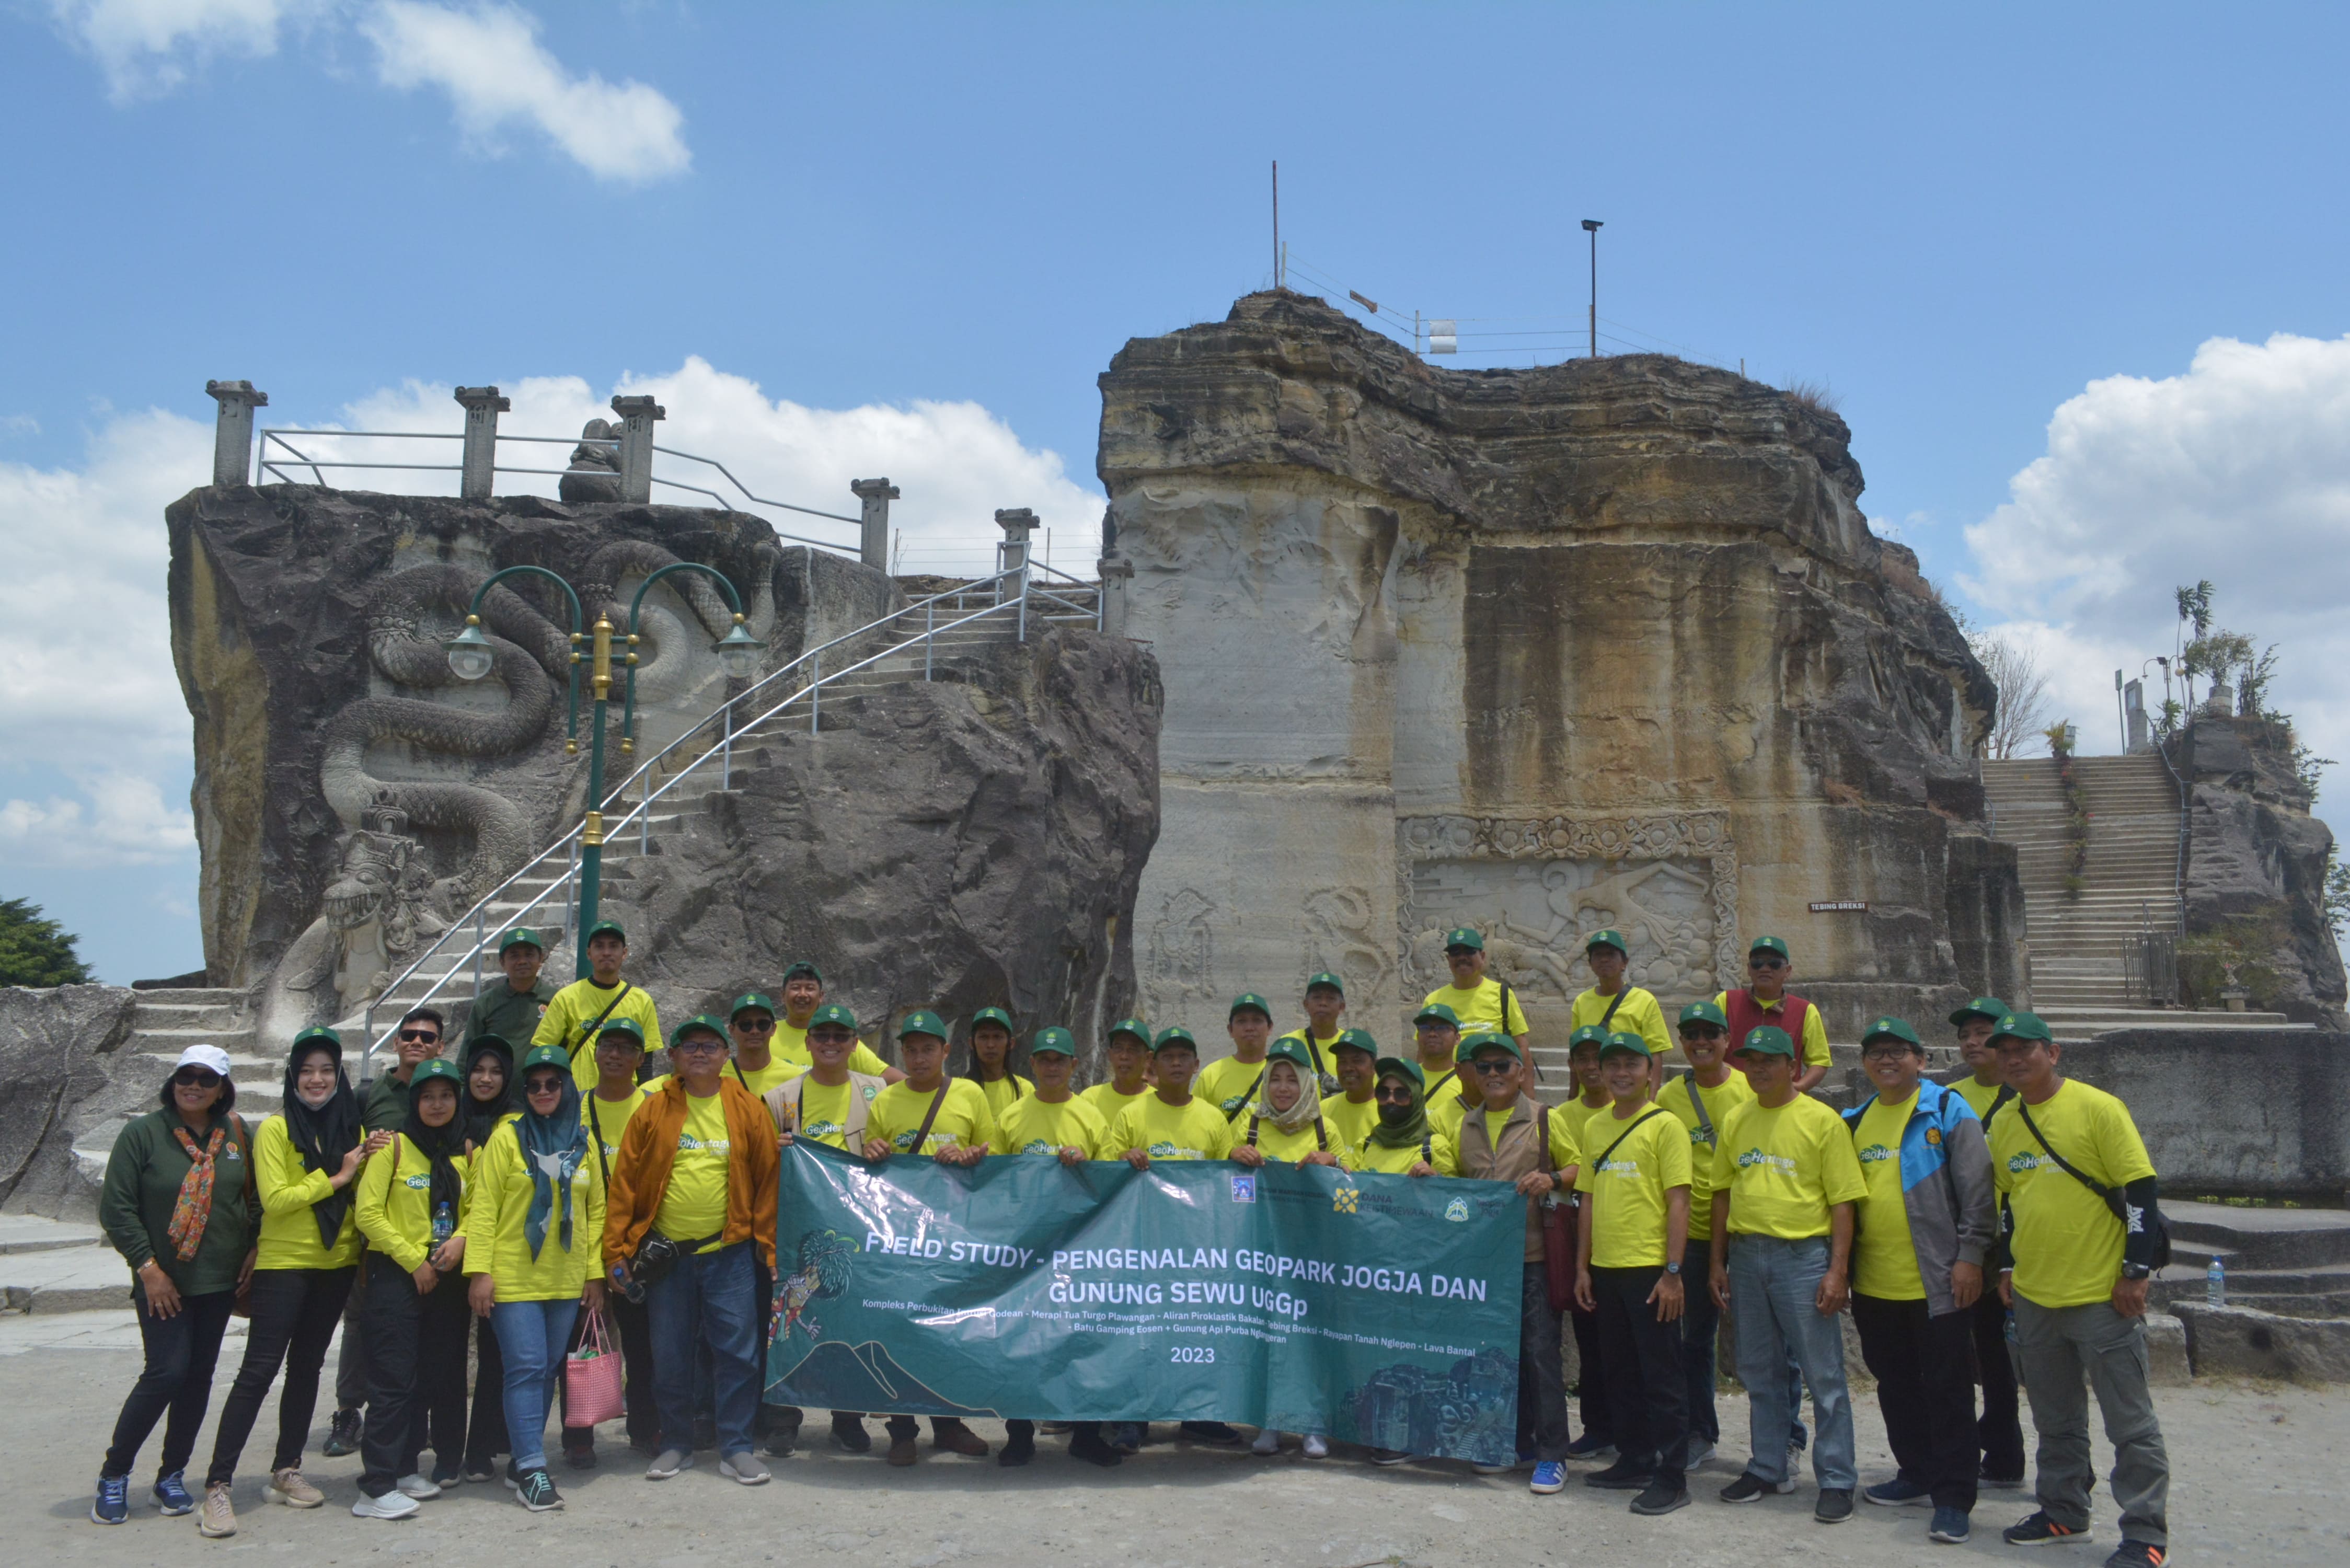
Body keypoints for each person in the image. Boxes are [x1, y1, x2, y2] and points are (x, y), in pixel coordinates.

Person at [1985, 1012, 2170, 1568]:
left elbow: (2139, 1193)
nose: (2015, 1060)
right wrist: (2007, 1266)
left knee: (2129, 1423)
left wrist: (2134, 1272)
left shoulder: (2097, 1108)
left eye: (2026, 1050)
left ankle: (2143, 1534)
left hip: (2100, 1294)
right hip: (2037, 1296)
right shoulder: (2004, 1122)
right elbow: (2008, 1203)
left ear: (2053, 1053)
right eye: (2006, 1052)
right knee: (2054, 1419)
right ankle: (2062, 1510)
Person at [202, 1028, 388, 1537]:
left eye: (326, 1070)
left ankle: (287, 1470)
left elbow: (362, 1199)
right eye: (307, 1070)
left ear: (339, 1076)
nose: (317, 1079)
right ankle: (218, 1485)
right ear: (293, 1076)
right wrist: (336, 1177)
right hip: (284, 1265)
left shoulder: (351, 1129)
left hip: (336, 1265)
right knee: (259, 1369)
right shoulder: (277, 1130)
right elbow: (277, 1199)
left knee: (307, 1367)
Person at [599, 1017, 779, 1488]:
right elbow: (625, 1187)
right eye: (690, 1046)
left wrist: (769, 1246)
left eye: (711, 1046)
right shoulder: (652, 1110)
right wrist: (614, 1251)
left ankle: (736, 1446)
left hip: (731, 1254)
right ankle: (675, 1442)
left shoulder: (748, 1108)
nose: (700, 1053)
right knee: (670, 1354)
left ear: (726, 1056)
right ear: (674, 1057)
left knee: (738, 1353)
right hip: (667, 1257)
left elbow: (768, 1182)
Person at [1842, 1016, 1998, 1546]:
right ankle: (1915, 1471)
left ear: (1920, 1059)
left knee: (1948, 1389)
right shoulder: (1855, 1119)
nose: (1886, 1061)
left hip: (1938, 1281)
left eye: (1897, 1052)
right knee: (1894, 1384)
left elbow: (1978, 1192)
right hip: (1875, 1283)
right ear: (1864, 1064)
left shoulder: (1948, 1110)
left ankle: (1954, 1495)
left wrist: (1970, 1257)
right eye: (1876, 1054)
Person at [90, 1045, 259, 1528]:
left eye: (207, 1079)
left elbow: (252, 1201)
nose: (195, 1086)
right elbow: (117, 1209)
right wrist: (148, 1269)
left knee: (199, 1377)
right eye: (187, 1076)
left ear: (222, 1088)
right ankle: (114, 1473)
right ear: (173, 1081)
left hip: (219, 1281)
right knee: (166, 1372)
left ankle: (172, 1474)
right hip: (163, 1280)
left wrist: (253, 1248)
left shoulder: (236, 1134)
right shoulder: (143, 1134)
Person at [1707, 1024, 1864, 1522]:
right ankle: (1768, 1465)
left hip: (1804, 1258)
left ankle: (1837, 1478)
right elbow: (1722, 1193)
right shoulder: (1736, 1119)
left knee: (1824, 1374)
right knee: (1759, 1370)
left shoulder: (1821, 1121)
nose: (1758, 1068)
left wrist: (1838, 1271)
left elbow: (1843, 1203)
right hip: (1749, 1256)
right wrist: (1717, 1260)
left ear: (1792, 1068)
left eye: (1769, 1060)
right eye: (1751, 1060)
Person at [1420, 1032, 1579, 1495]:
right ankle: (1512, 1442)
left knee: (1540, 1355)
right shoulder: (1465, 1126)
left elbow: (1579, 1170)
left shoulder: (1545, 1119)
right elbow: (1458, 1187)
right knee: (1492, 1358)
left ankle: (1553, 1454)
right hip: (1485, 1265)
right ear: (1471, 1073)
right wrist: (1431, 1178)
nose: (1493, 1074)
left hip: (1532, 1257)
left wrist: (1550, 1177)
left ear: (1521, 1071)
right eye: (1484, 1067)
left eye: (1502, 1066)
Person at [463, 1044, 607, 1512]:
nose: (543, 1092)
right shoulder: (508, 1139)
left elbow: (595, 1210)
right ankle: (531, 1467)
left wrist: (594, 1275)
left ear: (567, 1087)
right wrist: (481, 1272)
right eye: (534, 1085)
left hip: (565, 1278)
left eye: (553, 1083)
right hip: (513, 1276)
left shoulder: (582, 1141)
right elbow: (484, 1209)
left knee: (547, 1369)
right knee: (525, 1367)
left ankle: (524, 1458)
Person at [858, 1011, 995, 1464]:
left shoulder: (970, 1094)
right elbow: (870, 1170)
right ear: (902, 1054)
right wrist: (871, 1150)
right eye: (911, 1050)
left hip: (955, 1235)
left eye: (928, 1049)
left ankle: (949, 1426)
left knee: (949, 1331)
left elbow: (992, 1155)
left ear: (946, 1052)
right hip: (901, 1239)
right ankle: (902, 1431)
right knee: (898, 1330)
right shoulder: (884, 1101)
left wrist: (974, 1154)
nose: (919, 1058)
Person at [1573, 1031, 1693, 1515]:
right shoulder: (1596, 1126)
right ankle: (1636, 1457)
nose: (1622, 1073)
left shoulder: (1666, 1125)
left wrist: (1673, 1272)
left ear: (1650, 1070)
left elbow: (1679, 1201)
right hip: (1606, 1268)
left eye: (1632, 1064)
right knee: (1619, 1372)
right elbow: (1588, 1199)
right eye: (1612, 1065)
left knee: (1661, 1377)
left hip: (1650, 1271)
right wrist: (1582, 1266)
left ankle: (1672, 1475)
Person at [987, 1026, 1118, 1468]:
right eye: (1043, 1059)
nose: (1051, 1067)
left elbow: (1113, 1185)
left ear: (1074, 1066)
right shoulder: (1011, 1117)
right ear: (1032, 1065)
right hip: (1025, 1248)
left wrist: (1086, 1168)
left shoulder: (1092, 1118)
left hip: (1081, 1246)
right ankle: (1019, 1434)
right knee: (1020, 1339)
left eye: (1059, 1060)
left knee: (1081, 1340)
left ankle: (1086, 1434)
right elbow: (995, 1182)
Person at [1107, 1026, 1243, 1451]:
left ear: (1197, 1065)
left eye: (1185, 1056)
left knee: (1196, 1331)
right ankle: (1134, 1417)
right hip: (1143, 1244)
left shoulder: (1212, 1118)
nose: (1177, 1063)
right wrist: (1123, 1159)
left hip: (1198, 1248)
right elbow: (1107, 1170)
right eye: (1168, 1057)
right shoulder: (1131, 1115)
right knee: (1140, 1329)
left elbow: (1228, 1179)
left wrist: (1240, 1157)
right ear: (1154, 1065)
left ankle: (1199, 1415)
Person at [766, 1002, 891, 1458]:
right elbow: (763, 1168)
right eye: (823, 1037)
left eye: (841, 1037)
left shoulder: (878, 1092)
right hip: (800, 1227)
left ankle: (848, 1417)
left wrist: (884, 1148)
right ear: (808, 1043)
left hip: (856, 1229)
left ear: (856, 1044)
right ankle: (783, 1417)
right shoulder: (781, 1099)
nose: (832, 1044)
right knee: (788, 1319)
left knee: (852, 1322)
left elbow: (897, 1147)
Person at [350, 1058, 472, 1518]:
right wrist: (413, 1259)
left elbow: (480, 1209)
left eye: (445, 1096)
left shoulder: (467, 1152)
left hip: (446, 1274)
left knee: (426, 1375)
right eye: (427, 1096)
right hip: (397, 1274)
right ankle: (375, 1486)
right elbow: (368, 1215)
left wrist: (460, 1241)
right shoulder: (392, 1148)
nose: (436, 1105)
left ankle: (403, 1469)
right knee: (392, 1380)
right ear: (413, 1101)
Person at [330, 1004, 448, 1459]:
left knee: (429, 1331)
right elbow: (345, 1150)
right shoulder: (370, 1094)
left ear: (440, 1045)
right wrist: (364, 1148)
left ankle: (424, 1418)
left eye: (427, 1037)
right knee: (360, 1324)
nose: (417, 1042)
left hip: (431, 1233)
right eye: (410, 1035)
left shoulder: (445, 1088)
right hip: (377, 1233)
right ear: (396, 1042)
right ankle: (348, 1410)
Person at [1655, 999, 1754, 1470]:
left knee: (1771, 1345)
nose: (1700, 1043)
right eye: (1691, 1035)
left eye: (1710, 1034)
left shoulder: (1749, 1091)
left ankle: (1786, 1441)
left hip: (1746, 1230)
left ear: (1726, 1041)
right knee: (1695, 1339)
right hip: (1693, 1236)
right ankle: (1700, 1431)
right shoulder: (1671, 1097)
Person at [566, 1017, 660, 1462]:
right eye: (608, 1046)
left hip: (641, 1245)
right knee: (582, 1343)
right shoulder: (575, 1107)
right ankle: (579, 1437)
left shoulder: (657, 1106)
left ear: (642, 1059)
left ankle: (646, 1428)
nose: (616, 1055)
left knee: (643, 1346)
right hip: (584, 1243)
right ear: (595, 1054)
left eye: (627, 1048)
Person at [1943, 994, 2024, 1490]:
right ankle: (1993, 1450)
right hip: (1963, 1242)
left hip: (2015, 1244)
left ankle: (2013, 1452)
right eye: (1966, 1035)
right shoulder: (1949, 1097)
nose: (1973, 1043)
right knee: (1971, 1351)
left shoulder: (2027, 1095)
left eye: (1982, 1034)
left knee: (2011, 1356)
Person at [456, 1033, 520, 1480]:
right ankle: (457, 1447)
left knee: (500, 1355)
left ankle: (490, 1444)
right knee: (445, 1357)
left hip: (492, 1255)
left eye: (496, 1071)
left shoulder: (515, 1124)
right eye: (478, 1069)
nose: (486, 1078)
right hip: (442, 1258)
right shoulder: (448, 1116)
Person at [1556, 1022, 1617, 1461]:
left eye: (1600, 1057)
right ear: (1573, 1065)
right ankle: (1597, 1427)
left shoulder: (1636, 1111)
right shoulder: (1560, 1117)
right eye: (1583, 1057)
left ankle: (1635, 1428)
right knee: (1591, 1340)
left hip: (1625, 1234)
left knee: (1630, 1342)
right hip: (1579, 1235)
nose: (1591, 1065)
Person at [532, 919, 662, 1089]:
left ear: (624, 953)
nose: (606, 952)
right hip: (578, 1099)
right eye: (599, 946)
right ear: (589, 953)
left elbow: (646, 1061)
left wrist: (645, 1101)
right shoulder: (567, 997)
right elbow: (544, 1051)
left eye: (613, 946)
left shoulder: (642, 1001)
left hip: (627, 1100)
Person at [1715, 936, 1833, 1094]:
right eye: (1758, 963)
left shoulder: (1805, 1010)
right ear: (1749, 969)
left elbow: (1820, 1061)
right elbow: (1711, 1049)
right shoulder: (1726, 1001)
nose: (1765, 969)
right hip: (1731, 1098)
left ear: (1788, 971)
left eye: (1774, 964)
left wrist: (1798, 1087)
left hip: (1783, 1103)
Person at [1231, 1038, 1347, 1173]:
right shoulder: (1250, 1127)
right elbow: (1233, 1181)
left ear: (1306, 1084)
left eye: (1293, 1081)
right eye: (1275, 1080)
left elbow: (1348, 1182)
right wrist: (1234, 1156)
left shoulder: (1325, 1130)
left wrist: (1333, 1161)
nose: (1283, 1088)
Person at [771, 961, 901, 1081]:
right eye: (796, 988)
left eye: (810, 988)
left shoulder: (838, 1039)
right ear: (783, 995)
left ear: (821, 996)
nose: (803, 994)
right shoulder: (766, 1034)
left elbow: (887, 1075)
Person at [1420, 927, 1530, 1054]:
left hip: (1491, 1072)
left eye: (1469, 951)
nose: (1462, 957)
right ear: (1448, 959)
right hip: (1449, 1074)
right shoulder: (1433, 1000)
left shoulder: (1503, 994)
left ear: (1482, 957)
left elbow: (1522, 1046)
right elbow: (1424, 1052)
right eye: (1455, 952)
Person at [1571, 930, 1672, 1058]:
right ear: (1591, 964)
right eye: (1598, 955)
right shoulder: (1581, 1002)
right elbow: (1576, 1051)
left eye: (1611, 954)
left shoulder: (1645, 1000)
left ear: (1625, 963)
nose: (1604, 960)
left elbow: (1656, 1051)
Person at [467, 927, 559, 1048]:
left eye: (529, 955)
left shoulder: (556, 999)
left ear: (541, 959)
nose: (522, 961)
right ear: (502, 962)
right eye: (514, 956)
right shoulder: (486, 1003)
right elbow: (468, 1053)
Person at [1195, 993, 1276, 1119]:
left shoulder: (1282, 1072)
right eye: (1241, 1021)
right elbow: (1197, 1124)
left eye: (1257, 1020)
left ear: (1270, 1028)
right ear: (1230, 1030)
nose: (1249, 1028)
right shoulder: (1211, 1076)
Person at [1274, 972, 1348, 1090]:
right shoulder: (1288, 1044)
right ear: (1306, 1004)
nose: (1323, 1003)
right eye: (1317, 997)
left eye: (1331, 998)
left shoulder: (1350, 1045)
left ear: (1342, 1007)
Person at [1411, 1004, 1473, 1142]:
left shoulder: (1466, 1080)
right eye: (1425, 1029)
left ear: (1457, 1038)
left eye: (1442, 1028)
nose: (1432, 1034)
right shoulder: (1407, 1076)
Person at [1077, 1018, 1153, 1125]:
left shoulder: (1157, 1100)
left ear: (1148, 1058)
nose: (1124, 1056)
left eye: (1132, 1049)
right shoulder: (1091, 1099)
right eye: (1118, 1048)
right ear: (1110, 1055)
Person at [963, 1007, 1034, 1117]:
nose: (990, 1045)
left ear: (1011, 1043)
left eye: (998, 1037)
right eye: (983, 1037)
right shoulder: (958, 1090)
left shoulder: (1024, 1090)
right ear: (972, 1043)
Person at [1322, 1028, 1381, 1152]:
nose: (1348, 1068)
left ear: (1374, 1066)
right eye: (1342, 1062)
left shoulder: (1387, 1111)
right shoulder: (1323, 1110)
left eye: (1357, 1061)